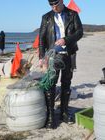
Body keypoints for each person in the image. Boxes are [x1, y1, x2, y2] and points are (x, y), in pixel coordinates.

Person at [39, 0, 83, 128]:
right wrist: (42, 57)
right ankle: (51, 116)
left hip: (69, 54)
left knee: (66, 83)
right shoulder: (46, 17)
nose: (54, 7)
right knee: (51, 84)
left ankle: (64, 112)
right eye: (51, 5)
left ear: (62, 1)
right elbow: (41, 38)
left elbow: (80, 32)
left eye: (56, 4)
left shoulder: (73, 14)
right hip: (53, 56)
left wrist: (66, 39)